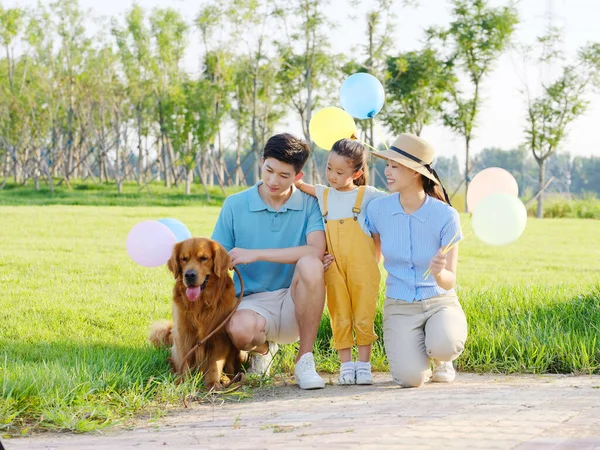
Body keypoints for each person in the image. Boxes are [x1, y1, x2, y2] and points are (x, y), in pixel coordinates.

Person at [211, 133, 327, 390]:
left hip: (294, 300)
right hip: (251, 302)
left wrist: (257, 253)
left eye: (284, 176)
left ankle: (304, 360)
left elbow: (316, 250)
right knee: (240, 332)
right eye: (269, 170)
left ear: (298, 177)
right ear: (262, 161)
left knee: (311, 264)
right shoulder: (234, 204)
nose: (274, 181)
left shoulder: (311, 204)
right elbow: (216, 257)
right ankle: (263, 351)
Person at [366, 133, 468, 388]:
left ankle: (442, 358)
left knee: (445, 345)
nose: (387, 172)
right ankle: (420, 351)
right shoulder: (378, 210)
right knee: (410, 379)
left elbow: (448, 282)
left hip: (438, 301)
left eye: (394, 167)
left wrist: (438, 272)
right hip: (399, 305)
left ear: (414, 172)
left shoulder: (446, 216)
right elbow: (372, 255)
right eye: (387, 165)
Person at [295, 138, 385, 385]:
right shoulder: (324, 194)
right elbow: (301, 184)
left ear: (356, 173)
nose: (331, 176)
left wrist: (376, 258)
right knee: (340, 314)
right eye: (329, 168)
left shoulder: (369, 195)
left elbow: (393, 207)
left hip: (363, 268)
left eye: (339, 172)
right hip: (333, 267)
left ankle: (364, 365)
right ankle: (346, 364)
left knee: (364, 314)